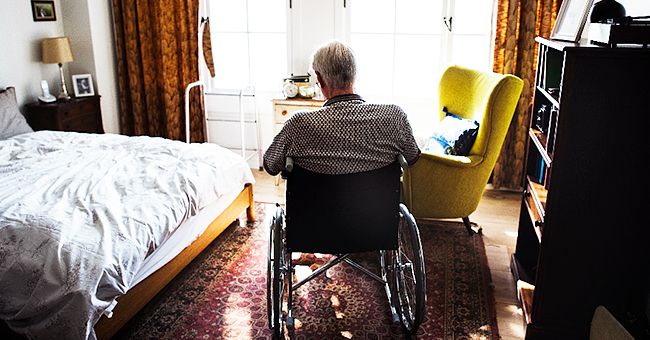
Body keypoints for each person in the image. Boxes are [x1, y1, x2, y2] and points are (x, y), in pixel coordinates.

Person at [263, 40, 420, 176]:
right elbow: (413, 157)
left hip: (316, 210)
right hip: (376, 210)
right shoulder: (394, 116)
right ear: (355, 74)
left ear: (319, 79)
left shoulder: (298, 124)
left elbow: (270, 165)